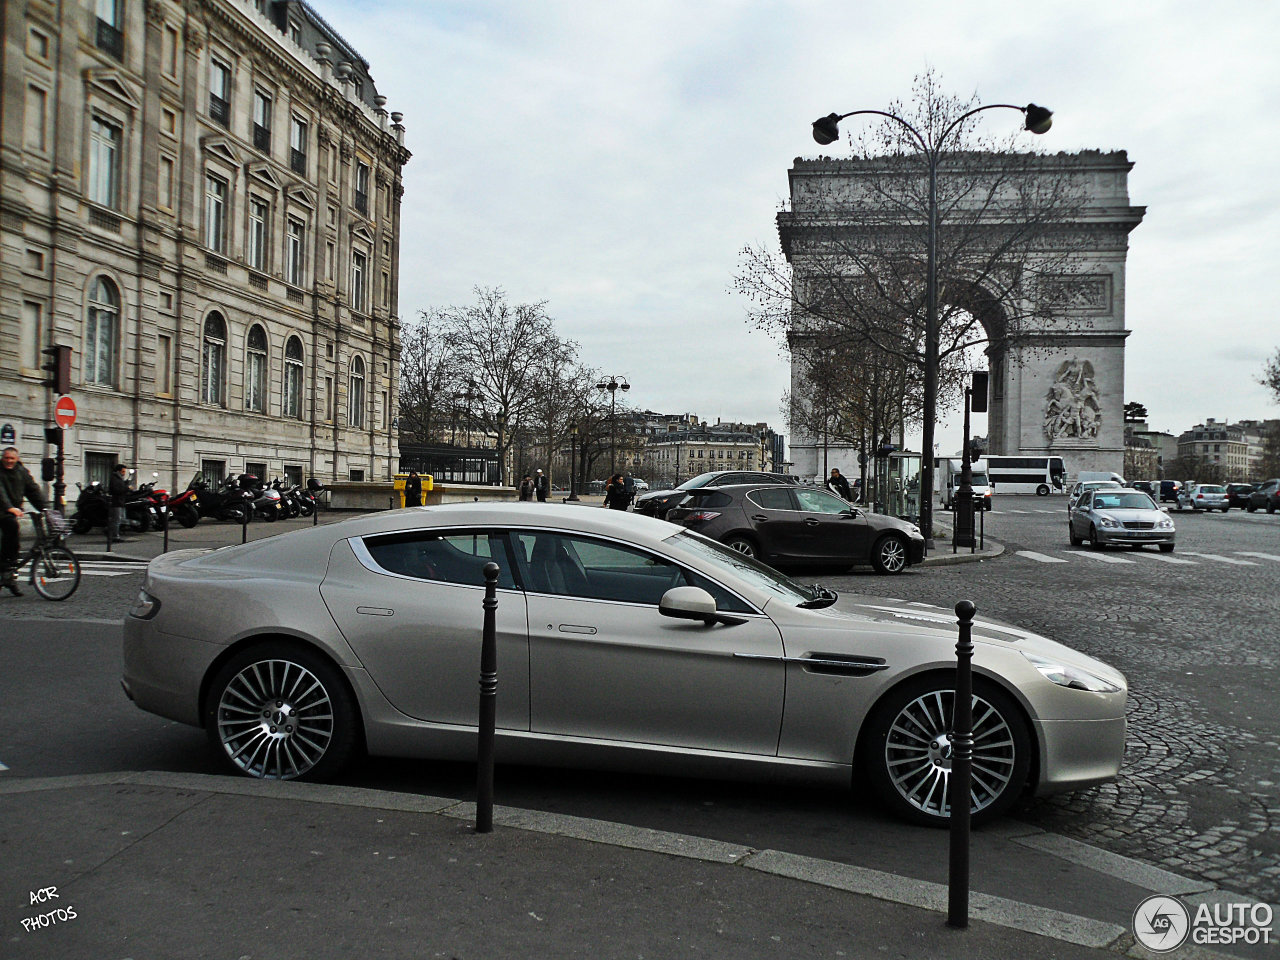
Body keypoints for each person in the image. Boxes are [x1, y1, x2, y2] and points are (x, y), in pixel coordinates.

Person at [1, 447, 46, 597]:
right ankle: (7, 568)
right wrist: (10, 508)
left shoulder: (22, 472)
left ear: (16, 459)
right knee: (11, 528)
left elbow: (32, 490)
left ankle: (9, 574)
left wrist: (44, 508)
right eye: (6, 458)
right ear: (2, 458)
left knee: (13, 539)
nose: (9, 461)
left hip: (11, 511)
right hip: (3, 509)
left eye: (11, 458)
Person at [108, 463, 133, 544]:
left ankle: (112, 533)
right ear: (118, 471)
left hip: (120, 501)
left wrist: (126, 484)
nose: (124, 473)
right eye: (123, 471)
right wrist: (127, 488)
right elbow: (116, 489)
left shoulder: (119, 478)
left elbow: (120, 487)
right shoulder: (115, 478)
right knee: (117, 520)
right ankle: (114, 536)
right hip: (116, 502)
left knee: (120, 519)